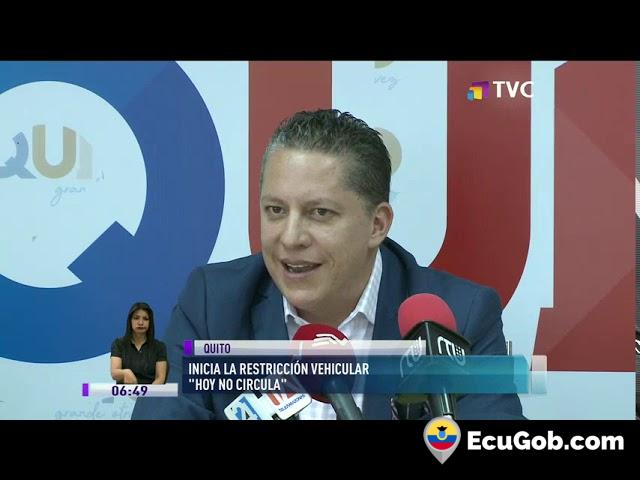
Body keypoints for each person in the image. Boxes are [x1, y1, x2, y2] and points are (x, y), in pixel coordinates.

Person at [132, 109, 525, 419]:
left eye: (319, 212)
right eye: (275, 210)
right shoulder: (213, 304)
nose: (290, 238)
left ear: (377, 224)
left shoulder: (457, 319)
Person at [111, 302, 168, 385]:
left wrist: (147, 392)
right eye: (136, 318)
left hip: (151, 391)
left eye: (145, 319)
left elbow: (160, 378)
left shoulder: (159, 347)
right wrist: (126, 373)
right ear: (130, 321)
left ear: (150, 322)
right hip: (125, 392)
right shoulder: (119, 344)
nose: (141, 322)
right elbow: (114, 373)